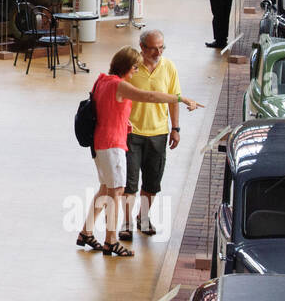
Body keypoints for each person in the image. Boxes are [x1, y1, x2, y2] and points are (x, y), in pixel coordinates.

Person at [78, 46, 201, 257]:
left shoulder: (102, 80)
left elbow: (107, 110)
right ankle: (111, 241)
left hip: (99, 144)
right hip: (113, 145)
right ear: (129, 66)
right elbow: (150, 96)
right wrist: (180, 99)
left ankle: (86, 232)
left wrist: (125, 123)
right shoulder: (120, 85)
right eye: (136, 67)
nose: (137, 71)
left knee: (105, 189)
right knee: (117, 192)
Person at [120, 30, 179, 240]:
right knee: (130, 184)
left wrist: (176, 128)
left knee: (152, 182)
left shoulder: (169, 67)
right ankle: (126, 223)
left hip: (159, 134)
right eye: (154, 48)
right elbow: (118, 92)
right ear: (142, 47)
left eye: (161, 47)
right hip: (132, 134)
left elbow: (174, 99)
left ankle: (143, 218)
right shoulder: (132, 68)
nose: (158, 52)